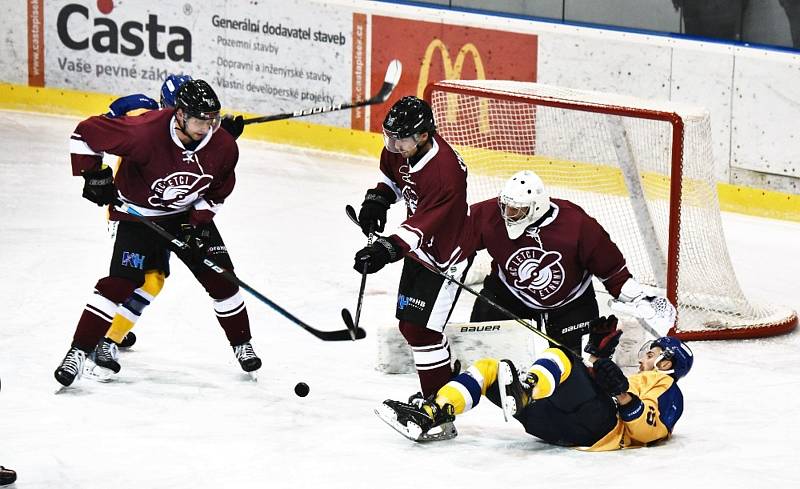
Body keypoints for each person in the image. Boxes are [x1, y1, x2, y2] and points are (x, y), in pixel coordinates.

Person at [54, 79, 260, 386]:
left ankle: (242, 343)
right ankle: (78, 351)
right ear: (179, 115)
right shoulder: (144, 132)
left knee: (223, 279)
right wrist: (94, 176)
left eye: (212, 120)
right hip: (139, 218)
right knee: (120, 283)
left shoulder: (224, 146)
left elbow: (218, 191)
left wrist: (196, 225)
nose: (207, 127)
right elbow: (83, 133)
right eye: (199, 120)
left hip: (185, 215)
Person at [465, 170, 676, 354]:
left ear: (536, 207)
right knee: (480, 350)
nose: (507, 214)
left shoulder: (577, 225)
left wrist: (638, 297)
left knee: (573, 370)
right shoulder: (489, 215)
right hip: (508, 296)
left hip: (571, 304)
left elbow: (612, 272)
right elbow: (455, 237)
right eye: (506, 206)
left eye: (516, 209)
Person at [376, 329, 693, 449]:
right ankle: (433, 413)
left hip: (601, 433)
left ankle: (527, 390)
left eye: (651, 354)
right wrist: (596, 360)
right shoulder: (640, 379)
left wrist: (622, 395)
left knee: (560, 355)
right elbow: (584, 393)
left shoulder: (668, 390)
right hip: (560, 425)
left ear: (666, 365)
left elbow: (649, 431)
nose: (643, 358)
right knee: (488, 369)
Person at [353, 96, 471, 397]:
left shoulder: (446, 175)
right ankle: (445, 379)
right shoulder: (401, 147)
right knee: (410, 326)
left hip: (446, 255)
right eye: (389, 137)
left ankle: (440, 404)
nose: (392, 146)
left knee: (423, 331)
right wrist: (377, 200)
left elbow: (421, 228)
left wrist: (385, 250)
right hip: (417, 249)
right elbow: (393, 181)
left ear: (422, 135)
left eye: (399, 139)